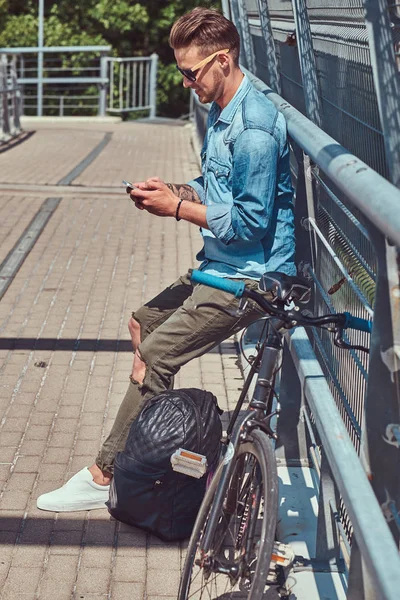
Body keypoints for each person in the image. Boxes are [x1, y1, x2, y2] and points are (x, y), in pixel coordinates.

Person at [37, 7, 296, 512]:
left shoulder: (256, 128)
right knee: (143, 323)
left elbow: (250, 223)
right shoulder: (223, 108)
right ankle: (149, 445)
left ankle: (104, 474)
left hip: (252, 278)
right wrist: (174, 190)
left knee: (155, 355)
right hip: (220, 266)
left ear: (223, 61)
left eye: (190, 72)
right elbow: (215, 188)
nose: (184, 83)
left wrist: (177, 209)